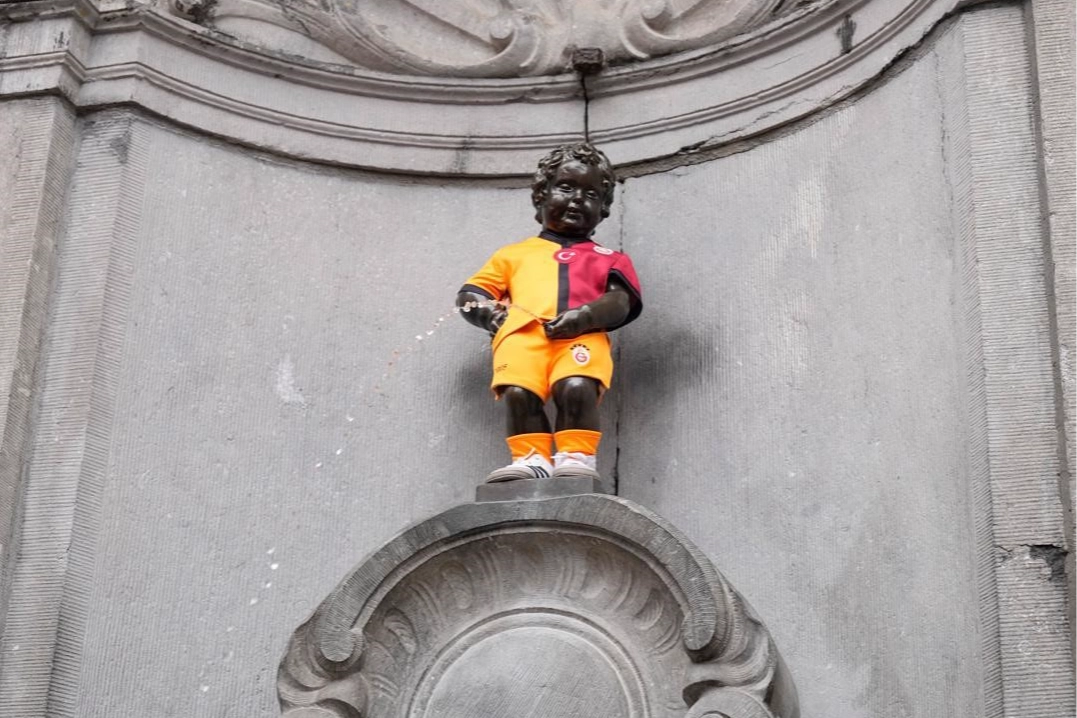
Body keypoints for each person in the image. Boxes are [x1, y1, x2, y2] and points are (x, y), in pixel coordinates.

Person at [456, 142, 642, 483]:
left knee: (576, 387)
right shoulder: (513, 255)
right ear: (541, 196)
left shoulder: (610, 259)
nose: (577, 199)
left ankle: (577, 455)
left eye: (590, 194)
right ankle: (531, 458)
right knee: (519, 394)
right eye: (566, 188)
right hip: (521, 340)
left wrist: (585, 316)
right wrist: (490, 315)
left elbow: (620, 301)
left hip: (581, 338)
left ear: (603, 209)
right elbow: (472, 294)